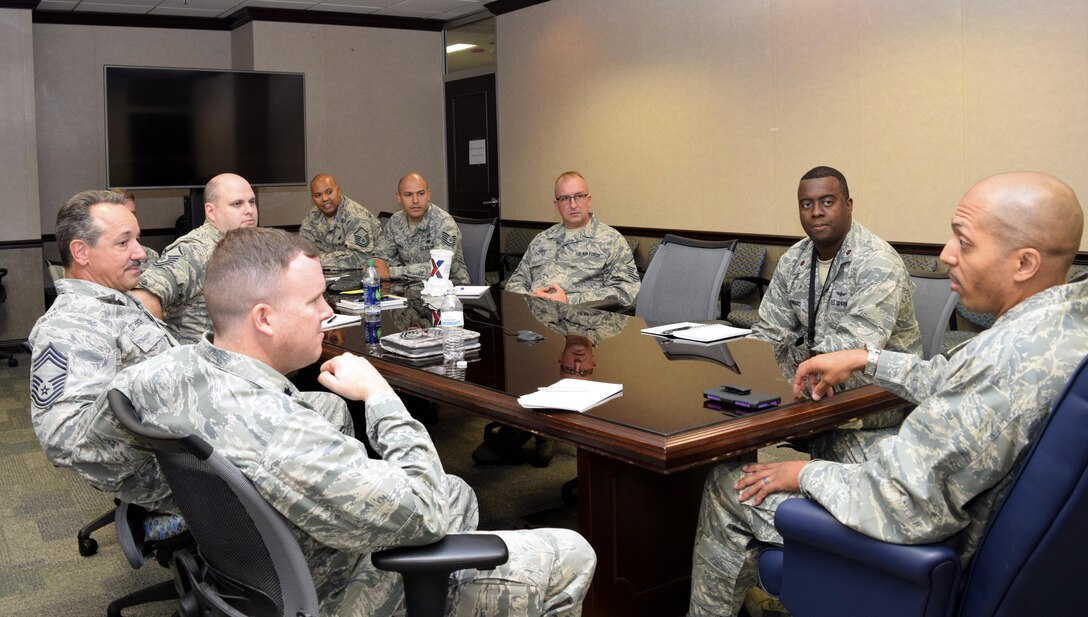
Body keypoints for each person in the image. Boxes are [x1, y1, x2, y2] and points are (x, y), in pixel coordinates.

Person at [75, 227, 596, 616]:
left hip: (252, 574)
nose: (329, 311)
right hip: (334, 591)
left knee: (458, 488)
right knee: (568, 549)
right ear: (264, 317)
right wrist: (381, 396)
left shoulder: (168, 369)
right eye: (315, 300)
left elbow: (92, 446)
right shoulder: (284, 440)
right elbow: (428, 512)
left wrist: (181, 497)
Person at [687, 171, 1088, 617]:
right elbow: (950, 378)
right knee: (835, 441)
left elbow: (901, 504)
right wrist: (867, 359)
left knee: (729, 483)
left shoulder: (1004, 359)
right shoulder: (1059, 325)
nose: (945, 255)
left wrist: (803, 475)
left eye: (964, 242)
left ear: (1024, 263)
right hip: (978, 520)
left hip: (922, 552)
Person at [751, 166, 922, 461]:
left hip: (876, 397)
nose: (816, 212)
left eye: (827, 202)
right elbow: (766, 335)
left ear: (848, 205)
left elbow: (851, 352)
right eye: (807, 204)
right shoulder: (794, 259)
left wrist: (790, 373)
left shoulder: (877, 262)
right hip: (814, 389)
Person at [28, 190, 177, 486]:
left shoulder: (114, 300)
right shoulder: (69, 326)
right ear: (81, 252)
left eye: (137, 239)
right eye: (124, 242)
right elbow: (63, 439)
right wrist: (165, 420)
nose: (140, 252)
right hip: (168, 469)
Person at [133, 172, 258, 344]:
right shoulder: (192, 249)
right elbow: (143, 299)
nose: (249, 210)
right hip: (198, 363)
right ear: (211, 211)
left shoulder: (245, 245)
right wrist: (161, 354)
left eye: (251, 202)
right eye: (237, 204)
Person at [505, 171, 640, 309]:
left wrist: (569, 300)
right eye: (564, 199)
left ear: (589, 199)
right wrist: (529, 298)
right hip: (535, 320)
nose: (573, 205)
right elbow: (515, 282)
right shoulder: (542, 239)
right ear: (556, 204)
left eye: (579, 196)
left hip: (583, 323)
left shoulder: (612, 240)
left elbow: (627, 291)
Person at [372, 172, 470, 285]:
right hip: (412, 288)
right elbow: (380, 258)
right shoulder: (396, 221)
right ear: (399, 197)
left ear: (428, 194)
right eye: (408, 195)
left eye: (421, 193)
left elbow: (438, 268)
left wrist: (392, 272)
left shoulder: (444, 222)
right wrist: (375, 267)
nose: (415, 201)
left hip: (450, 291)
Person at [299, 173, 384, 271]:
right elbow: (302, 251)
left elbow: (360, 259)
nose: (324, 198)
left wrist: (316, 260)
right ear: (313, 198)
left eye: (329, 192)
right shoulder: (313, 214)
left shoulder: (356, 216)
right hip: (333, 273)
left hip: (368, 275)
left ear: (338, 190)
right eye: (318, 195)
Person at [113, 189, 160, 270]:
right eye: (122, 214)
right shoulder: (102, 257)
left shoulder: (149, 255)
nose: (129, 218)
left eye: (132, 213)